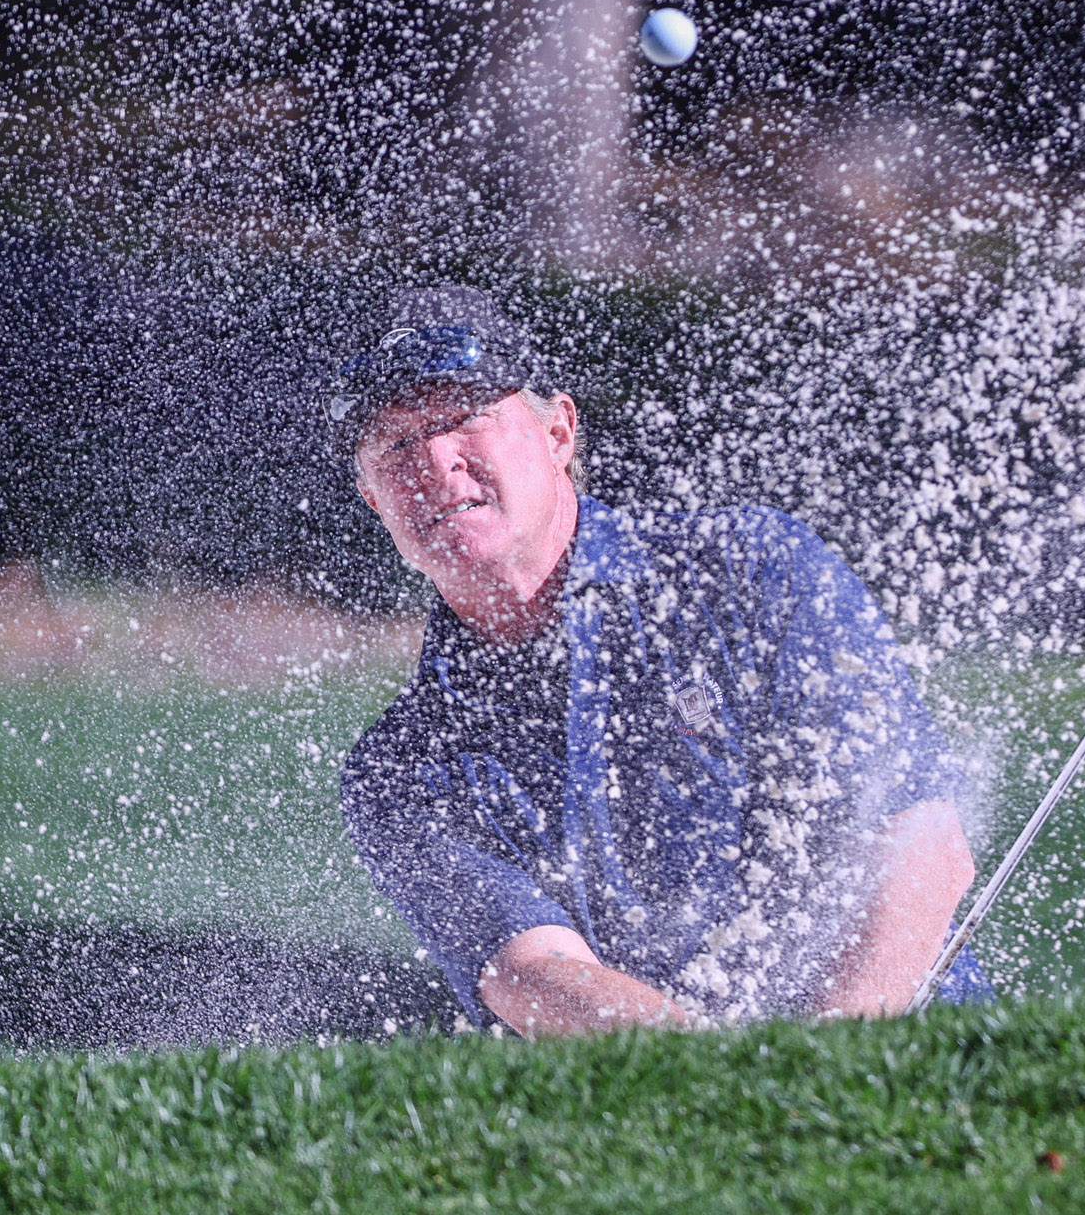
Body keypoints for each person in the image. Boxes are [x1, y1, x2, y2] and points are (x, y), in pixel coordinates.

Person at [331, 285, 988, 1036]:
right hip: (681, 1113)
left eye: (461, 419)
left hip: (911, 1062)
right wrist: (734, 1092)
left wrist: (823, 1072)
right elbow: (535, 974)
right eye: (395, 444)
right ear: (374, 500)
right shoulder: (401, 770)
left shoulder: (749, 571)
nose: (435, 461)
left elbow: (920, 847)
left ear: (558, 433)